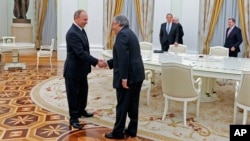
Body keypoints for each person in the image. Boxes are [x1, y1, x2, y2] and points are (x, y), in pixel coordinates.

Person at [63, 9, 106, 130]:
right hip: (73, 70)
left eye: (87, 19)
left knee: (83, 92)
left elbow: (85, 51)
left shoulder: (81, 30)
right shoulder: (72, 33)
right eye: (85, 19)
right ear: (76, 18)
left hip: (82, 69)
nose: (86, 22)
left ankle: (81, 111)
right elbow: (80, 53)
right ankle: (74, 118)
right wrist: (96, 61)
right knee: (73, 94)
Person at [105, 15, 145, 139]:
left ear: (119, 24)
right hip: (137, 75)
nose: (112, 28)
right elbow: (125, 55)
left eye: (113, 25)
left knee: (122, 105)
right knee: (133, 103)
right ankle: (132, 130)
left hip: (129, 77)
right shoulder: (131, 33)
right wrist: (107, 63)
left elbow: (124, 59)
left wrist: (123, 78)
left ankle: (118, 132)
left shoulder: (121, 35)